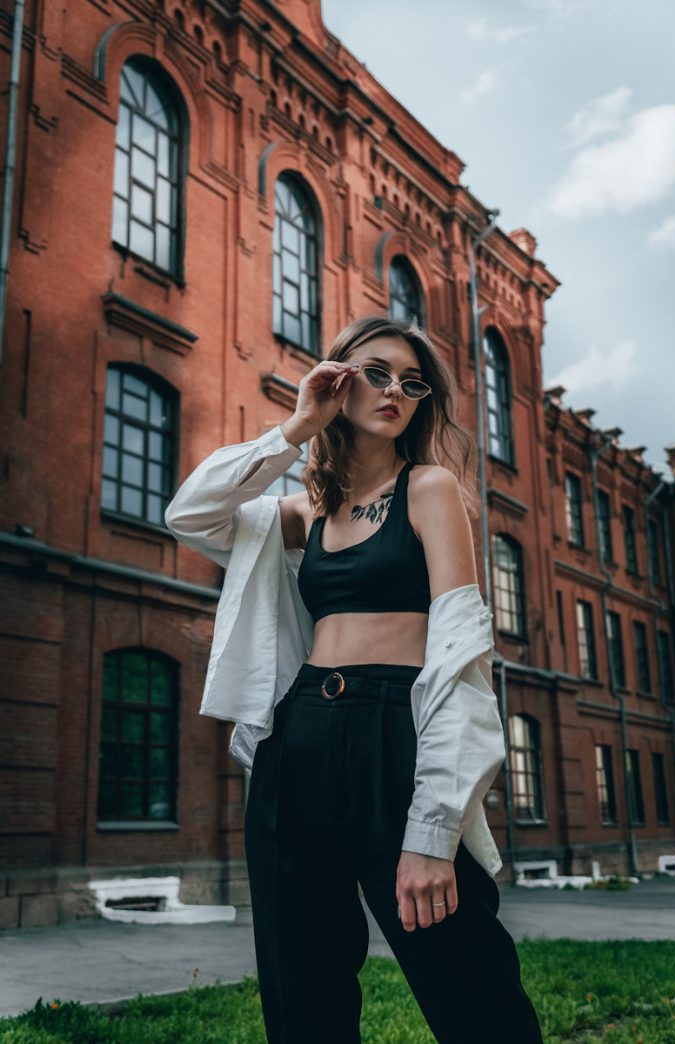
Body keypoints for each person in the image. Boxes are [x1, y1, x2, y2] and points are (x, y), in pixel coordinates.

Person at [164, 316, 543, 1043]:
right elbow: (191, 512)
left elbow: (461, 656)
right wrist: (297, 427)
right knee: (300, 986)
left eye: (410, 381)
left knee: (470, 981)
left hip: (392, 735)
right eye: (375, 372)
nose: (395, 390)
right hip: (297, 739)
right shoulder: (307, 511)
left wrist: (433, 834)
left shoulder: (429, 490)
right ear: (337, 378)